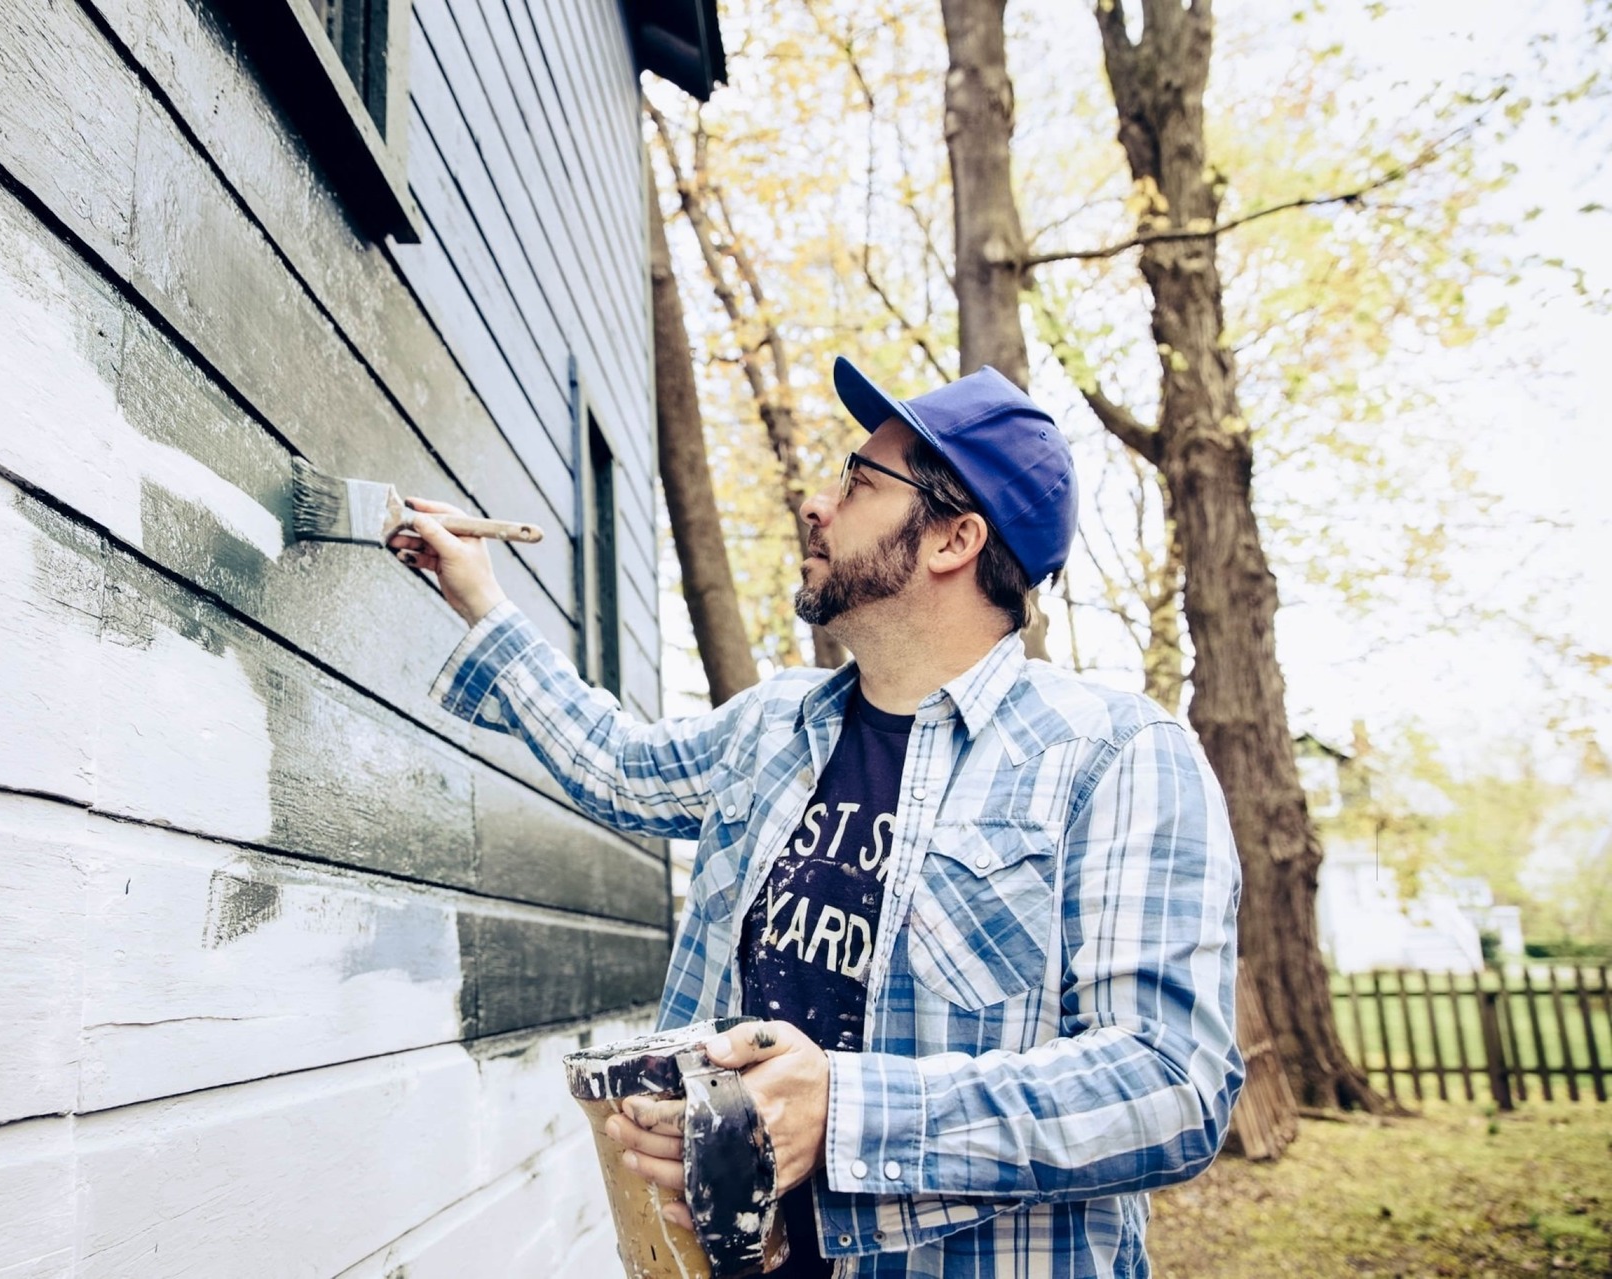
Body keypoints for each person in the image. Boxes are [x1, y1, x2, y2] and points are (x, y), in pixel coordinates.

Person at [389, 358, 1243, 1278]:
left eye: (859, 481)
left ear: (953, 540)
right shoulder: (774, 725)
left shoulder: (1115, 756)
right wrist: (478, 593)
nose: (817, 505)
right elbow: (615, 763)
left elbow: (1172, 1084)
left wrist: (843, 1105)